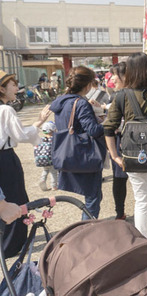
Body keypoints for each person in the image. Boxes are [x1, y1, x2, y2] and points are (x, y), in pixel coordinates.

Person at [104, 52, 147, 258]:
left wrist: (115, 156)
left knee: (141, 200)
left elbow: (108, 127)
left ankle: (144, 245)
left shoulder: (121, 96)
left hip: (132, 156)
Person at [0, 70, 52, 257]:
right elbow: (20, 135)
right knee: (15, 199)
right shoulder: (6, 110)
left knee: (4, 200)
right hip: (5, 159)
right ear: (2, 89)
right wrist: (39, 122)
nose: (17, 88)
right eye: (13, 85)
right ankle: (11, 245)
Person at [50, 66, 106, 220]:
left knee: (92, 196)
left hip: (67, 153)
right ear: (87, 85)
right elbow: (93, 130)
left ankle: (87, 225)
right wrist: (107, 123)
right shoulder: (80, 103)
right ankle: (87, 229)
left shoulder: (61, 101)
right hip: (84, 154)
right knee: (93, 197)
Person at [106, 62, 128, 220]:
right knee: (120, 180)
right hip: (123, 140)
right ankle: (120, 212)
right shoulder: (115, 96)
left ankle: (120, 213)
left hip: (122, 140)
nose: (112, 78)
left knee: (120, 179)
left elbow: (111, 124)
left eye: (115, 74)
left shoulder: (118, 96)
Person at [34, 121, 59, 191]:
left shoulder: (41, 139)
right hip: (51, 160)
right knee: (54, 172)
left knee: (45, 170)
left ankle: (42, 180)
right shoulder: (54, 139)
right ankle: (54, 186)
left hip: (43, 159)